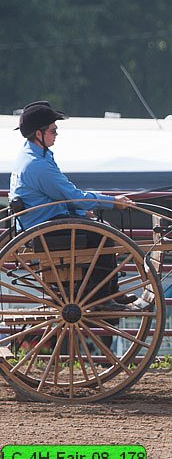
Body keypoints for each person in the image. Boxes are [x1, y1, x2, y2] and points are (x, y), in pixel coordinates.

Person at [9, 100, 139, 310]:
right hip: (45, 228)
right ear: (38, 134)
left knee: (100, 230)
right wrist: (112, 202)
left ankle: (109, 292)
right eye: (53, 130)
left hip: (42, 221)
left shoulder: (34, 155)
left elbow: (61, 197)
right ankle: (101, 298)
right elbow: (72, 195)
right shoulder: (37, 165)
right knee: (103, 236)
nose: (56, 134)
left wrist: (80, 211)